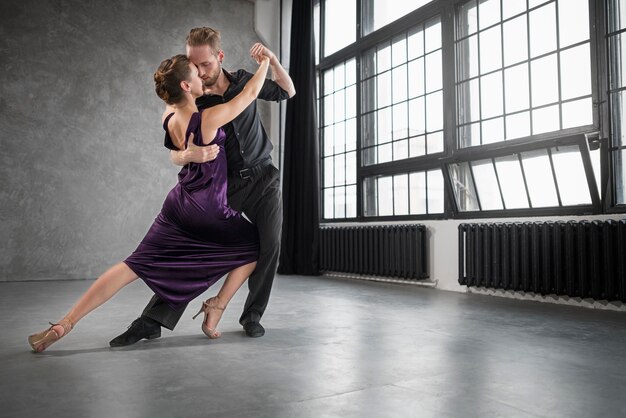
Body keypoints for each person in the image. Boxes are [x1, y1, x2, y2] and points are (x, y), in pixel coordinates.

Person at [27, 51, 271, 353]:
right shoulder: (207, 119)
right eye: (195, 74)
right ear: (185, 85)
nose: (201, 77)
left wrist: (184, 154)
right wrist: (265, 64)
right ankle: (217, 306)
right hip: (208, 207)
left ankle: (66, 323)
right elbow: (249, 94)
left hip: (178, 205)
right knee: (255, 247)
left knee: (133, 265)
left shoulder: (168, 115)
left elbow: (177, 150)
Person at [109, 27, 295, 346]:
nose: (199, 72)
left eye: (204, 64)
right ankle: (152, 320)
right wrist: (189, 154)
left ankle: (251, 316)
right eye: (194, 66)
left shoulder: (242, 80)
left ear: (219, 57)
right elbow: (174, 151)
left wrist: (273, 60)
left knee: (270, 245)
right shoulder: (193, 99)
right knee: (194, 247)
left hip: (264, 177)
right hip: (225, 183)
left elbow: (287, 90)